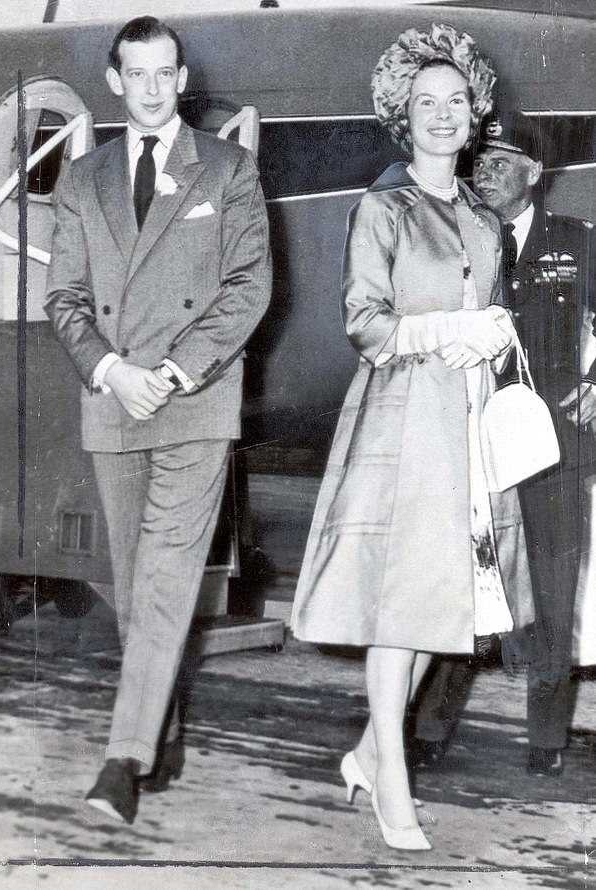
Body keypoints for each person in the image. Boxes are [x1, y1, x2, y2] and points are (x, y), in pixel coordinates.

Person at [291, 24, 532, 852]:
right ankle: (391, 771)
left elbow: (489, 315)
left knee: (446, 605)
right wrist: (446, 330)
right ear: (404, 115)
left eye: (454, 101)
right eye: (425, 102)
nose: (441, 114)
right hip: (403, 419)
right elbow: (365, 323)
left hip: (465, 422)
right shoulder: (381, 208)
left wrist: (492, 332)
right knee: (403, 606)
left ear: (474, 116)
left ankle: (364, 752)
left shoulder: (483, 218)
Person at [44, 16, 271, 824]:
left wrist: (171, 372)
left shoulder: (227, 168)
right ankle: (161, 722)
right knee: (140, 591)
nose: (149, 87)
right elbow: (64, 298)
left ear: (182, 79)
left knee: (169, 583)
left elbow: (248, 287)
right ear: (115, 80)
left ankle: (122, 760)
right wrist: (114, 370)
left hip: (194, 401)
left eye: (163, 73)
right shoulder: (82, 179)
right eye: (134, 73)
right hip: (114, 402)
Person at [412, 112, 596, 778]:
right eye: (478, 161)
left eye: (499, 160)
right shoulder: (458, 241)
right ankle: (430, 726)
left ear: (534, 173)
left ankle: (547, 740)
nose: (482, 171)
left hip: (555, 453)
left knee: (550, 593)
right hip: (472, 452)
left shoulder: (578, 243)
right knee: (465, 593)